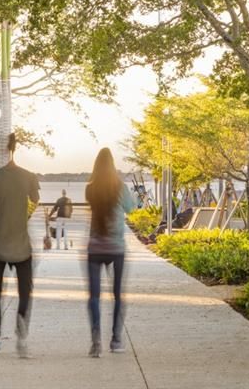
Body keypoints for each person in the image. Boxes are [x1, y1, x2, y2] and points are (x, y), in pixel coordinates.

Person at [0, 133, 40, 358]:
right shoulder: (28, 177)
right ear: (17, 149)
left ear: (5, 150)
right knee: (25, 292)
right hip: (22, 246)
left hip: (0, 245)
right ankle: (21, 335)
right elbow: (35, 201)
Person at [85, 148, 136, 357]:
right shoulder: (120, 187)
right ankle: (115, 340)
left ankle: (96, 340)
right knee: (118, 295)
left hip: (95, 247)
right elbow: (131, 208)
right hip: (116, 248)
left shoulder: (90, 188)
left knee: (94, 297)